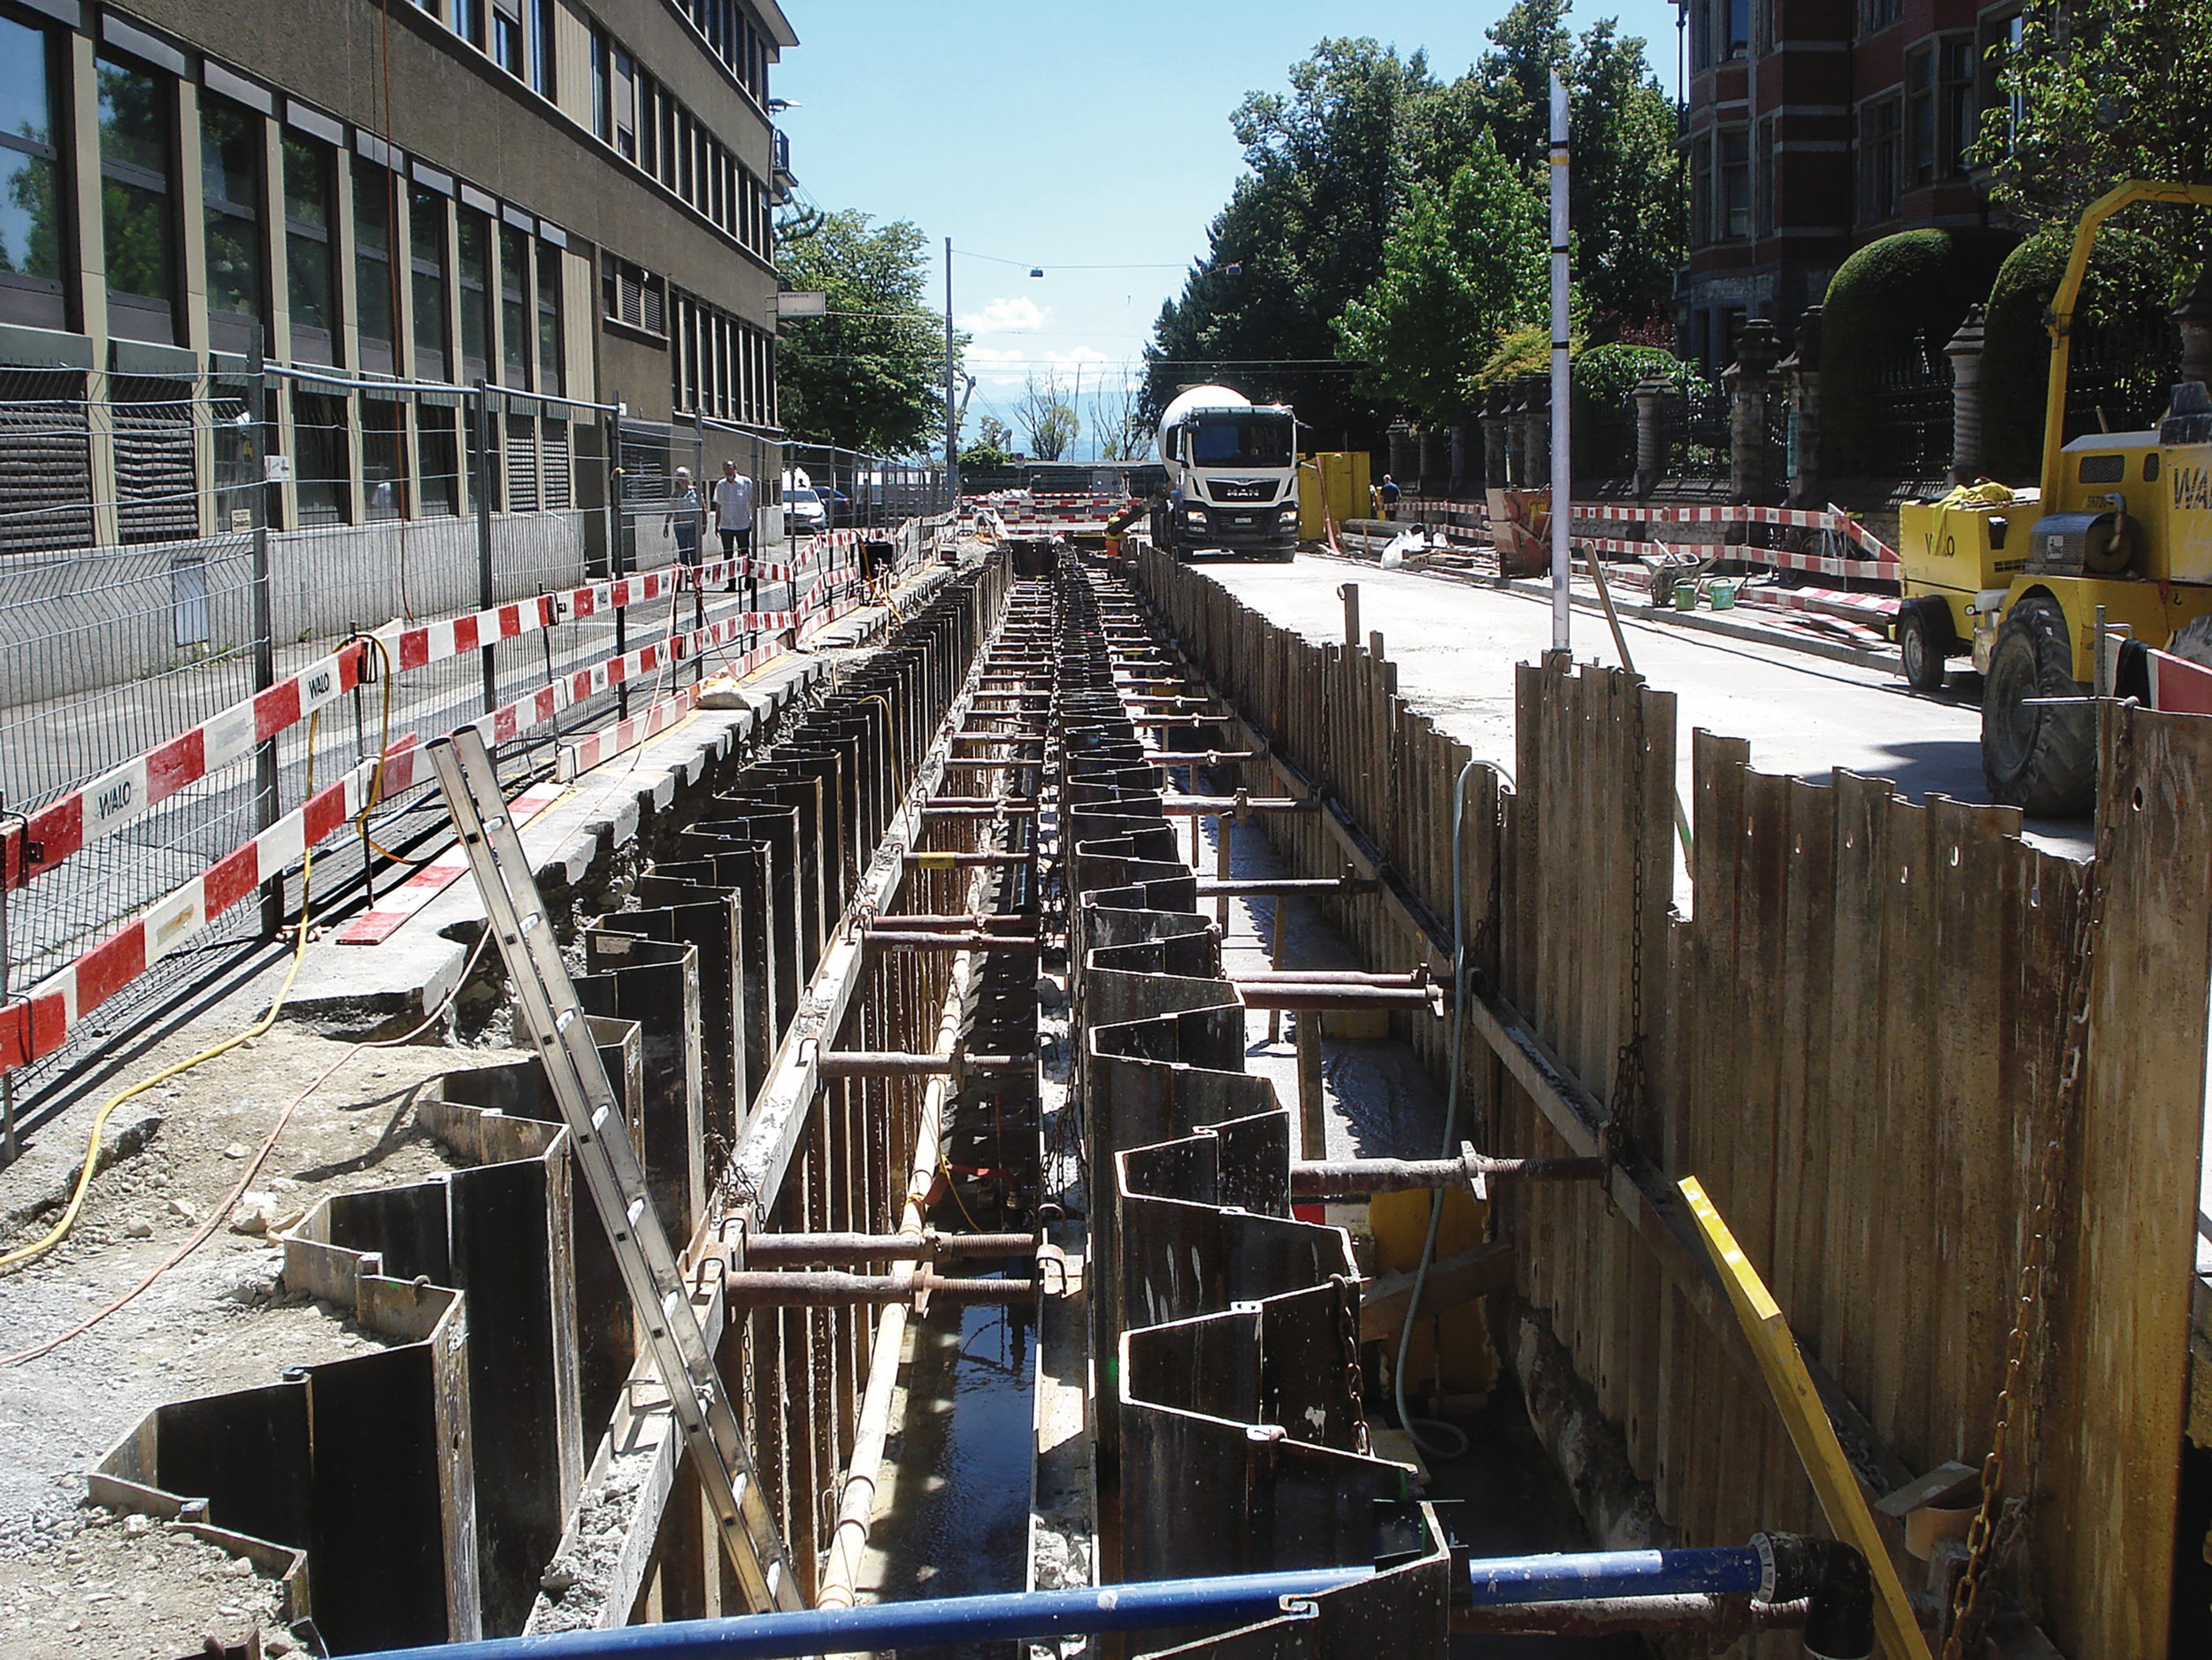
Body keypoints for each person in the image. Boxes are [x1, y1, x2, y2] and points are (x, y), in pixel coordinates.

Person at [712, 459, 755, 597]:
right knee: (728, 555)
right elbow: (718, 506)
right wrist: (717, 524)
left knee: (744, 553)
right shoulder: (721, 485)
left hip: (742, 524)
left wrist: (752, 521)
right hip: (727, 525)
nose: (727, 471)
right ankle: (731, 583)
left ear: (735, 469)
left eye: (729, 468)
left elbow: (753, 502)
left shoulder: (746, 482)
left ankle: (748, 580)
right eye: (725, 468)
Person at [664, 466, 702, 571]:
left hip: (693, 525)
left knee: (694, 549)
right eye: (679, 478)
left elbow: (703, 507)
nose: (681, 480)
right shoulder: (675, 494)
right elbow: (671, 509)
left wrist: (704, 523)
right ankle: (685, 571)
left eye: (683, 477)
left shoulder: (695, 492)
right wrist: (666, 524)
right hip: (680, 526)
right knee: (683, 549)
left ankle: (695, 571)